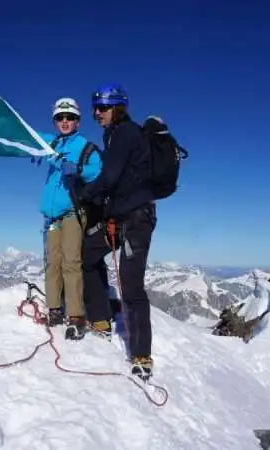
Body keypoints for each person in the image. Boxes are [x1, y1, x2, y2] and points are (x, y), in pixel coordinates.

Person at [78, 83, 157, 381]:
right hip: (120, 218)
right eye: (95, 107)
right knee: (88, 253)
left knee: (131, 285)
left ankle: (141, 355)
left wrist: (87, 193)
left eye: (104, 107)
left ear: (118, 108)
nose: (97, 112)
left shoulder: (124, 133)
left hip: (136, 221)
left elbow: (110, 178)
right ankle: (100, 318)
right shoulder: (113, 135)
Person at [35, 97, 102, 341]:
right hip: (51, 216)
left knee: (71, 262)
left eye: (70, 117)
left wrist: (78, 169)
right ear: (54, 120)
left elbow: (99, 170)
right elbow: (29, 135)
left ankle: (76, 316)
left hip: (73, 211)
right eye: (60, 117)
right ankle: (54, 309)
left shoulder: (85, 147)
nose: (65, 121)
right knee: (52, 262)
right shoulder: (50, 143)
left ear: (77, 120)